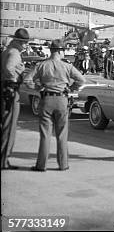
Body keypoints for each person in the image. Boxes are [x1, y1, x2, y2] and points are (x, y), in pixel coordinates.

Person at [31, 39, 85, 171]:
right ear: (61, 51)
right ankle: (63, 164)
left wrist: (39, 88)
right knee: (62, 134)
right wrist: (71, 88)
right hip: (62, 100)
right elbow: (81, 80)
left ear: (51, 51)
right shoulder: (67, 66)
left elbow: (27, 80)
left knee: (45, 135)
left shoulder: (42, 65)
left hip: (46, 100)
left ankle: (41, 165)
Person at [1, 28, 30, 170]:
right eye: (24, 42)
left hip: (5, 89)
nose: (26, 45)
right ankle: (4, 160)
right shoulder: (15, 53)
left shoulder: (6, 51)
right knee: (9, 126)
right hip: (11, 91)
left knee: (4, 125)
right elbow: (8, 68)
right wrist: (14, 80)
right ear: (18, 41)